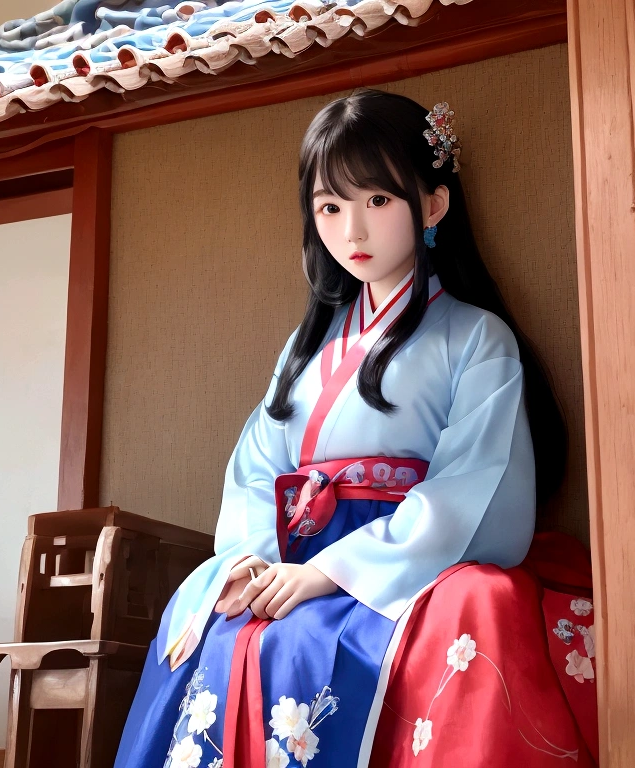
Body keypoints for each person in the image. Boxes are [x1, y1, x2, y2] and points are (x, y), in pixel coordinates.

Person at [114, 88, 597, 768]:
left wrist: (332, 573)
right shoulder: (304, 352)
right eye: (330, 208)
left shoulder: (475, 338)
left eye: (377, 201)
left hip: (404, 563)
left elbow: (475, 483)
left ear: (433, 205)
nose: (353, 232)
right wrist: (257, 557)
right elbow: (257, 467)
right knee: (219, 617)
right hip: (288, 558)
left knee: (478, 602)